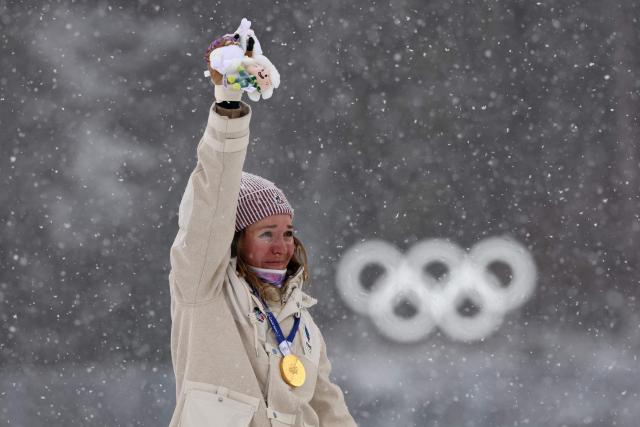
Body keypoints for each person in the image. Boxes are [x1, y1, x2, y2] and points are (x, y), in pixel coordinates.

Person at [168, 22, 357, 427]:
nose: (282, 246)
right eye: (266, 233)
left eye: (287, 233)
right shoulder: (203, 288)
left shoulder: (301, 320)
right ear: (234, 239)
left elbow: (328, 409)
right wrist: (228, 109)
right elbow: (213, 199)